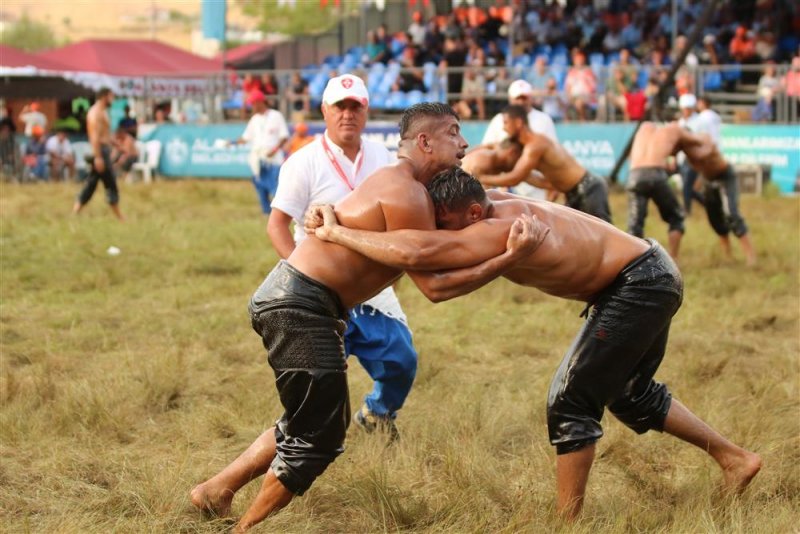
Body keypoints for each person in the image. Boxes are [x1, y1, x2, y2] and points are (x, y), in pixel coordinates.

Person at [309, 167, 762, 522]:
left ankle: (569, 522)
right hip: (649, 269)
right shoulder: (487, 198)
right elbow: (418, 230)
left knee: (570, 401)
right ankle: (734, 459)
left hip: (638, 283)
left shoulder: (495, 228)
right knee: (630, 393)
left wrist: (335, 233)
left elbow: (419, 258)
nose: (441, 232)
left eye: (445, 226)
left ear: (470, 214)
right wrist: (340, 208)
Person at [190, 102, 544, 532]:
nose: (464, 142)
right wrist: (508, 258)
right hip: (300, 303)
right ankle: (244, 528)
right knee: (320, 437)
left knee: (310, 420)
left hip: (305, 302)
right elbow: (434, 286)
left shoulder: (404, 185)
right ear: (425, 142)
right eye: (453, 132)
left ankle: (216, 491)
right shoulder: (407, 191)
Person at [267, 74, 418, 441]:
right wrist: (301, 281)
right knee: (316, 386)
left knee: (402, 361)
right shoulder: (303, 162)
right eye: (340, 106)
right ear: (325, 110)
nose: (347, 114)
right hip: (319, 291)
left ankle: (377, 415)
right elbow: (277, 226)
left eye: (355, 106)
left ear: (366, 111)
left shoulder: (385, 160)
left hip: (371, 291)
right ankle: (299, 443)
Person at [477, 105, 612, 222]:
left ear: (518, 123)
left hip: (588, 188)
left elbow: (515, 177)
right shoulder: (527, 147)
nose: (504, 128)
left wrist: (481, 178)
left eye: (506, 123)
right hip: (574, 192)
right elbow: (532, 178)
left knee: (608, 237)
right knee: (577, 240)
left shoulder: (535, 145)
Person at [683, 131, 757, 265]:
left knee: (731, 213)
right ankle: (728, 255)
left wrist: (694, 153)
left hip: (725, 176)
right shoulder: (686, 152)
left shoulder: (702, 138)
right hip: (708, 180)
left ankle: (751, 256)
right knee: (714, 218)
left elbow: (709, 146)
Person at [626, 122, 698, 259]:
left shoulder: (644, 128)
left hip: (634, 175)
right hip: (655, 174)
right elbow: (694, 141)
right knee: (676, 218)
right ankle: (673, 260)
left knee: (634, 225)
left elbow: (632, 157)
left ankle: (631, 263)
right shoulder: (676, 128)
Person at [481, 80, 558, 199]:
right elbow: (487, 150)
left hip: (534, 188)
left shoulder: (544, 120)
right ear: (510, 99)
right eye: (517, 98)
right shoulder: (498, 120)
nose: (521, 102)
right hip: (504, 187)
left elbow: (552, 156)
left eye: (524, 98)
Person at [231, 90, 289, 216]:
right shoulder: (254, 119)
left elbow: (284, 137)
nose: (252, 107)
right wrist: (232, 142)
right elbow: (246, 138)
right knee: (260, 185)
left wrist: (274, 150)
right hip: (258, 158)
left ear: (260, 102)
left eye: (253, 104)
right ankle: (266, 212)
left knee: (276, 187)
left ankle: (282, 213)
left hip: (274, 159)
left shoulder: (276, 116)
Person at [73, 88, 123, 220]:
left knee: (92, 183)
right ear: (104, 97)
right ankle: (120, 217)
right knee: (110, 183)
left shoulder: (102, 112)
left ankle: (76, 211)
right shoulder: (95, 113)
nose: (113, 99)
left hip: (103, 149)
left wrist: (114, 143)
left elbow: (103, 134)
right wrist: (98, 157)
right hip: (100, 151)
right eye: (111, 96)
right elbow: (94, 137)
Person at [677, 94, 703, 215]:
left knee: (687, 184)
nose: (686, 111)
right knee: (688, 187)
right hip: (682, 158)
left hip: (694, 158)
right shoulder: (680, 122)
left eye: (688, 108)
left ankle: (686, 210)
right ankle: (707, 203)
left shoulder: (699, 121)